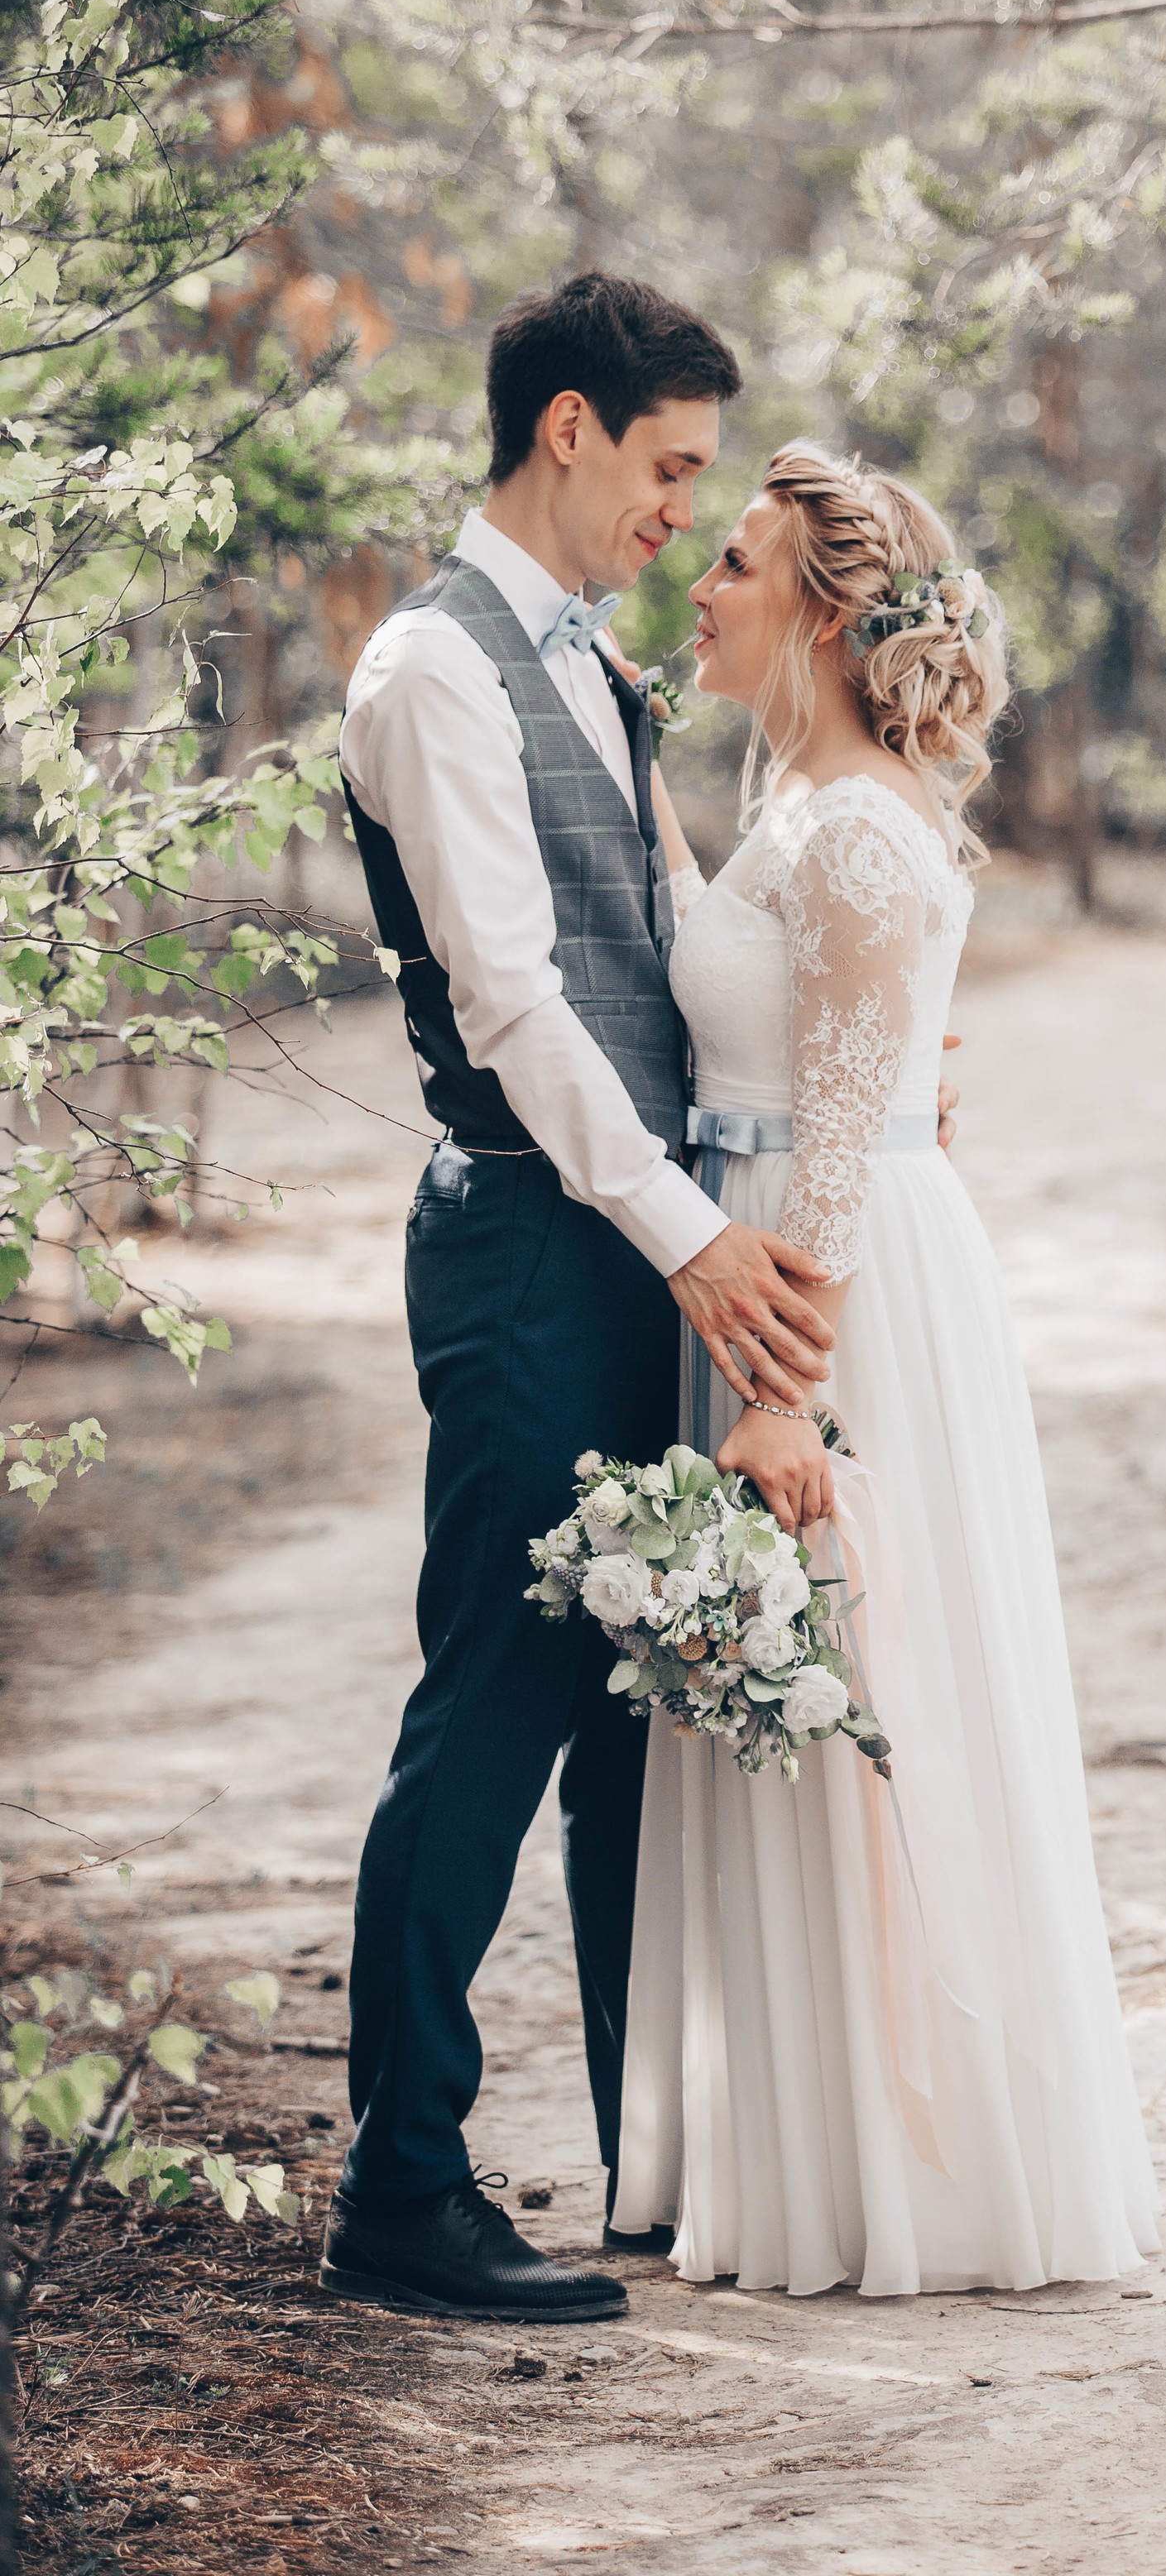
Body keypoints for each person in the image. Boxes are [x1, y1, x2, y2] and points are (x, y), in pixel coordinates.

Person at [323, 275, 859, 2325]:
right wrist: (694, 1241)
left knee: (644, 1711)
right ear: (565, 429)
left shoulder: (582, 666)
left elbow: (675, 946)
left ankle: (660, 2155)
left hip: (637, 1245)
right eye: (665, 467)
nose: (675, 510)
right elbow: (518, 1006)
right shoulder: (433, 673)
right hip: (542, 1246)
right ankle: (405, 2178)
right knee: (503, 1691)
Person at [611, 442, 1159, 2296]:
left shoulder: (854, 830)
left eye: (739, 567)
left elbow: (845, 1121)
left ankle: (903, 2175)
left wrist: (786, 1393)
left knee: (859, 1687)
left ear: (826, 614)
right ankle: (800, 2153)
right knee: (804, 1701)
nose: (699, 583)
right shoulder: (804, 808)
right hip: (778, 1250)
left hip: (828, 1292)